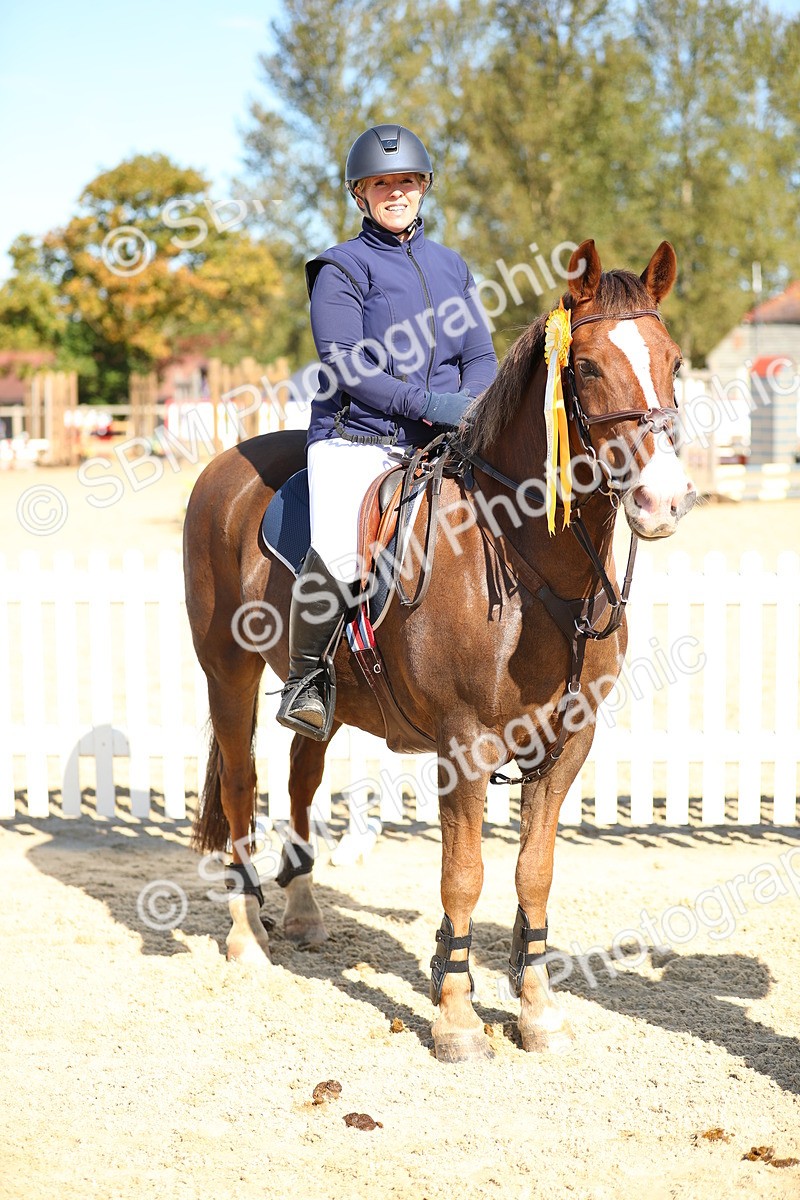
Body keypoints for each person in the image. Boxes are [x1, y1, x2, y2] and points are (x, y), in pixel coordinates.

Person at [277, 123, 498, 738]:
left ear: (424, 187)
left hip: (441, 438)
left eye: (406, 181)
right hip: (356, 438)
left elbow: (481, 354)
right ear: (360, 194)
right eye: (381, 184)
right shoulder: (340, 267)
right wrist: (430, 404)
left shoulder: (452, 267)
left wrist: (475, 405)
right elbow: (346, 363)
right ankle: (306, 679)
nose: (395, 192)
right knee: (343, 550)